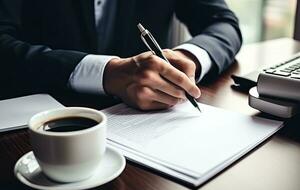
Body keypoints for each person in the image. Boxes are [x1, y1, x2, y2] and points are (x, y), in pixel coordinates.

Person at [0, 0, 242, 110]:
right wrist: (106, 73)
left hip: (141, 124)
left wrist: (189, 56)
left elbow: (223, 23)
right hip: (39, 119)